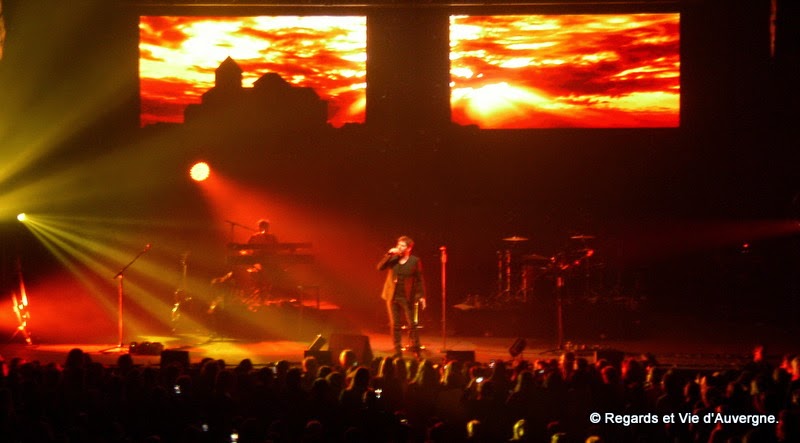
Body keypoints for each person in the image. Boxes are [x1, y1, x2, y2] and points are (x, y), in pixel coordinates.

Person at [377, 236, 426, 358]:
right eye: (398, 245)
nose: (400, 248)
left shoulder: (414, 261)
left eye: (403, 246)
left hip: (406, 296)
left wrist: (421, 296)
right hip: (391, 295)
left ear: (409, 248)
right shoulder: (393, 259)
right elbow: (380, 267)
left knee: (412, 324)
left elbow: (419, 279)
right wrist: (388, 254)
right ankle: (398, 351)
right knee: (395, 324)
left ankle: (417, 350)